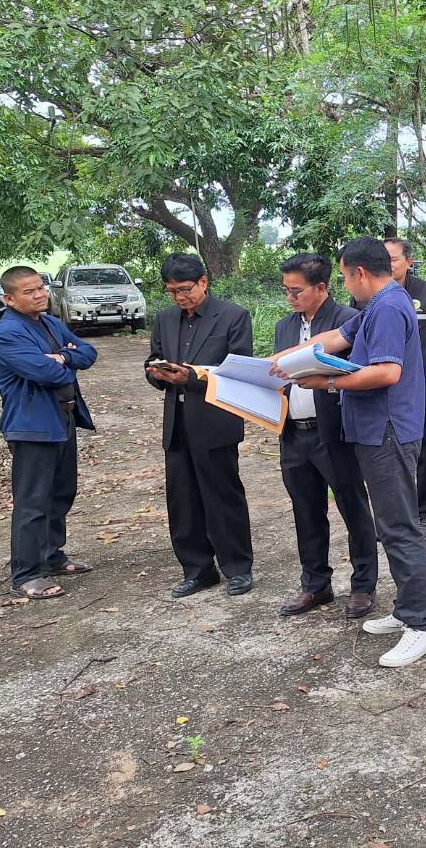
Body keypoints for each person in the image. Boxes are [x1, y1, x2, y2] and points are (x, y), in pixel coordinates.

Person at [272, 238, 426, 668]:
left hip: (388, 431)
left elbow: (387, 372)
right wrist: (278, 361)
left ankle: (423, 623)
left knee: (399, 527)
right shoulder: (376, 305)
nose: (345, 286)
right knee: (389, 523)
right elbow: (334, 337)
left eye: (346, 277)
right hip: (372, 431)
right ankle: (406, 609)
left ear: (359, 273)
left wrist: (326, 382)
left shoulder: (389, 307)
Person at [272, 253, 379, 619]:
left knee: (353, 507)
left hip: (335, 432)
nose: (290, 298)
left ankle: (363, 585)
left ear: (321, 287)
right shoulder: (284, 327)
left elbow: (361, 372)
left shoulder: (348, 321)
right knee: (306, 511)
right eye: (286, 290)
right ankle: (315, 584)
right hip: (294, 433)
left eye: (296, 291)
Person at [145, 252, 255, 599]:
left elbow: (240, 371)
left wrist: (191, 378)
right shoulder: (164, 319)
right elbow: (153, 357)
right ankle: (197, 570)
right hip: (177, 422)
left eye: (185, 289)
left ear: (203, 282)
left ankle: (238, 568)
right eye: (172, 291)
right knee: (183, 501)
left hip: (215, 420)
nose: (180, 297)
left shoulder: (233, 316)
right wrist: (158, 372)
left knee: (222, 496)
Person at [0, 265, 98, 600]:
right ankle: (25, 573)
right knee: (32, 501)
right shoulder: (8, 333)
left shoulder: (50, 323)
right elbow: (47, 374)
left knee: (61, 492)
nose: (39, 295)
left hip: (62, 419)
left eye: (41, 288)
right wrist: (65, 361)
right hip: (32, 426)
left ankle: (51, 556)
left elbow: (89, 353)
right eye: (29, 291)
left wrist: (61, 357)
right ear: (9, 299)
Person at [385, 238, 426, 541]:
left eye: (393, 259)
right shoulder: (368, 295)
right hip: (382, 384)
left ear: (409, 261)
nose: (387, 264)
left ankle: (424, 512)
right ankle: (394, 513)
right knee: (386, 446)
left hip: (421, 384)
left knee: (424, 447)